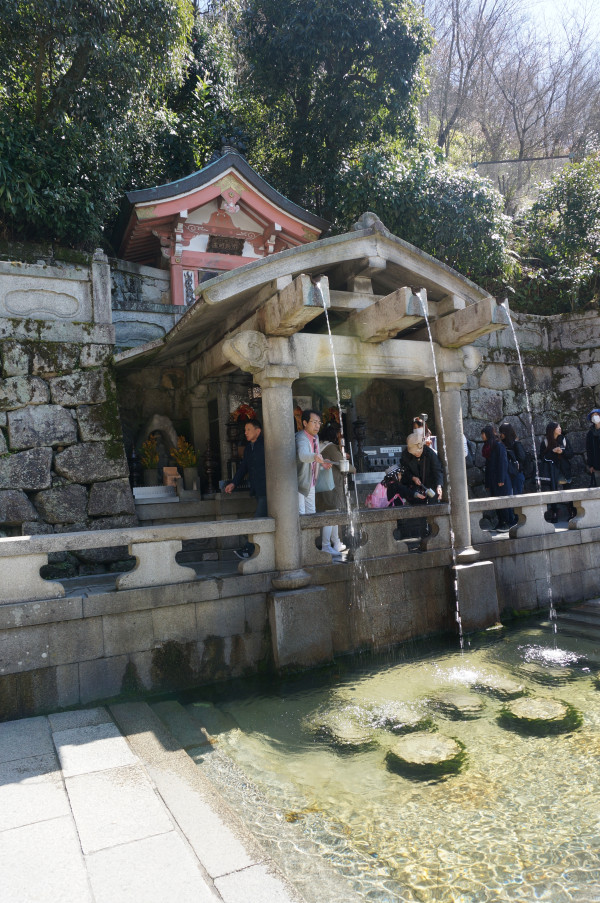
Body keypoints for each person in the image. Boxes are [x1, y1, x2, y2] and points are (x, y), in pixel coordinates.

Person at [224, 418, 266, 559]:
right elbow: (243, 468)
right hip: (256, 489)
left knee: (258, 518)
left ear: (258, 431)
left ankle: (249, 548)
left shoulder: (266, 445)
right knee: (262, 520)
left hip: (268, 490)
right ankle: (261, 551)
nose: (246, 432)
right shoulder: (248, 448)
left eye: (248, 429)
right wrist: (233, 483)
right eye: (245, 430)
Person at [316, 421, 355, 555]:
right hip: (331, 485)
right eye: (339, 435)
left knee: (333, 513)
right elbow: (342, 464)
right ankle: (326, 545)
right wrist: (353, 469)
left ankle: (336, 542)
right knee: (331, 515)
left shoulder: (320, 445)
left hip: (323, 486)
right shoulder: (331, 448)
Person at [296, 409, 332, 514]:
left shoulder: (315, 437)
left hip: (310, 482)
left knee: (311, 513)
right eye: (314, 422)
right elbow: (303, 455)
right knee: (301, 513)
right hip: (299, 483)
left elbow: (312, 461)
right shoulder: (301, 438)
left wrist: (322, 462)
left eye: (319, 423)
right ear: (305, 423)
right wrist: (315, 456)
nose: (317, 426)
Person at [539, 421, 574, 522]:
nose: (560, 428)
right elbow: (542, 457)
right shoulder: (545, 442)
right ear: (552, 429)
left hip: (564, 470)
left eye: (559, 427)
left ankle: (572, 512)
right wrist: (552, 452)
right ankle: (554, 513)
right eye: (558, 427)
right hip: (552, 470)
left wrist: (562, 451)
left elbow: (571, 454)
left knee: (568, 490)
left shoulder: (564, 439)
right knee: (553, 491)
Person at [481, 424, 514, 531]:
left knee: (503, 502)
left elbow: (503, 463)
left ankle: (506, 523)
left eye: (483, 433)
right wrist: (487, 483)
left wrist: (501, 479)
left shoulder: (499, 446)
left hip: (501, 479)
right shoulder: (489, 447)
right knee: (496, 502)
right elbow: (488, 466)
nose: (482, 436)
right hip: (492, 479)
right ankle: (501, 522)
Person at [399, 432, 443, 503]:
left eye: (419, 450)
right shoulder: (405, 455)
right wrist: (413, 478)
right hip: (414, 487)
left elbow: (437, 470)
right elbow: (404, 471)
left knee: (432, 502)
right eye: (414, 452)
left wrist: (439, 485)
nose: (417, 453)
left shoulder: (430, 454)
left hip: (430, 484)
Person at [499, 421, 527, 495]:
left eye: (501, 432)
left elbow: (522, 457)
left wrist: (514, 462)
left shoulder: (516, 443)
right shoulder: (504, 444)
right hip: (509, 474)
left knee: (516, 495)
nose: (500, 435)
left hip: (517, 474)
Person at [586, 408, 600, 481]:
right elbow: (589, 450)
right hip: (596, 465)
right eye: (593, 416)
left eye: (596, 415)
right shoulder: (590, 433)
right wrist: (590, 465)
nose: (595, 417)